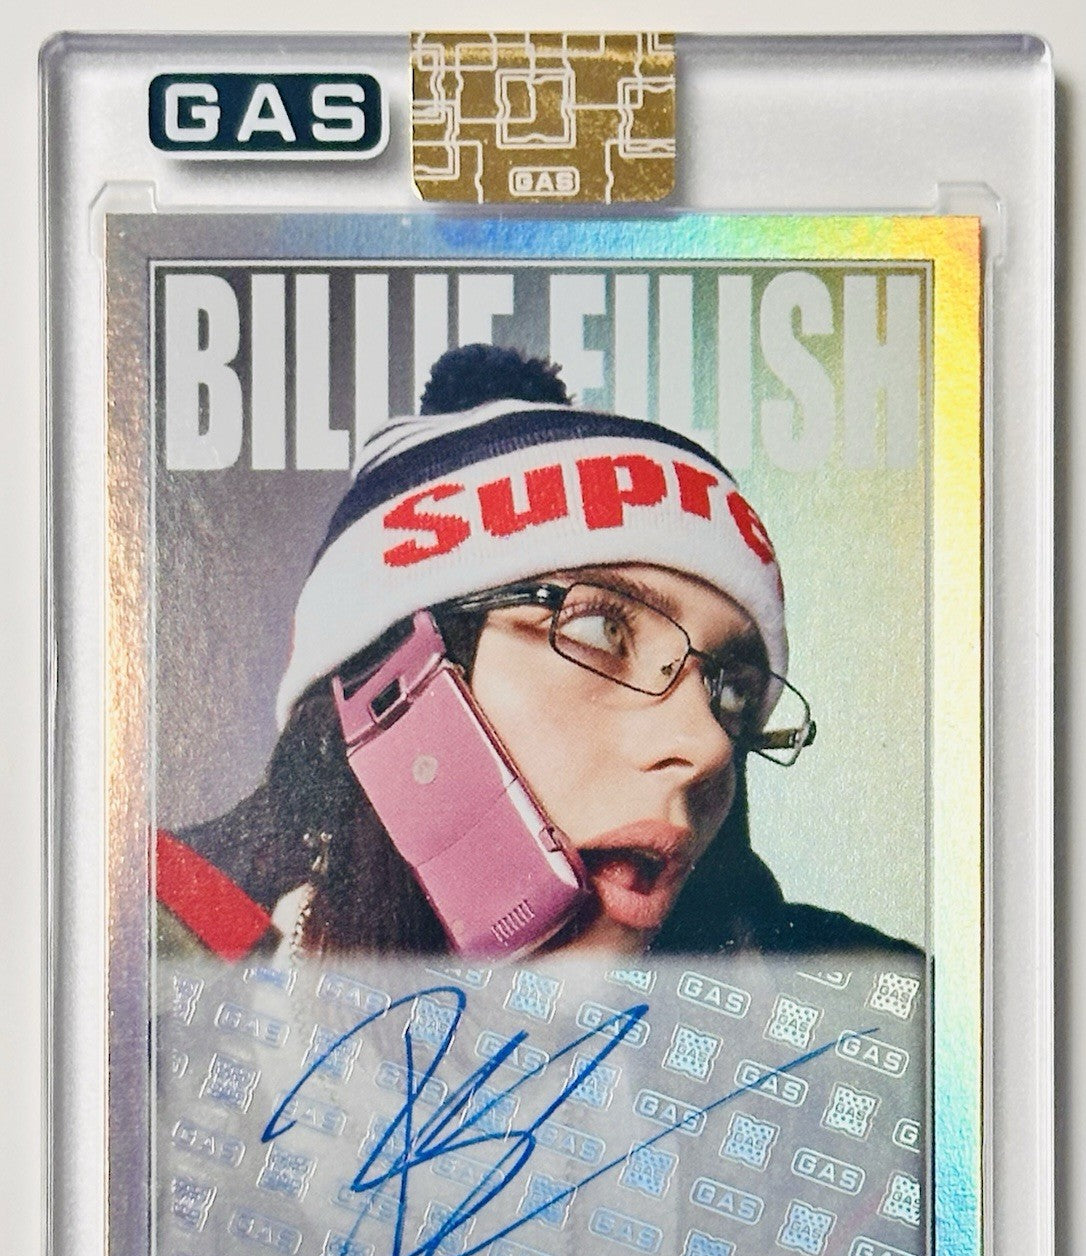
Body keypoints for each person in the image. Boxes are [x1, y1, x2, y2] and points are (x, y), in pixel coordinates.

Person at [155, 344, 914, 965]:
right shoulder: (129, 963)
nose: (709, 746)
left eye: (732, 691)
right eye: (598, 632)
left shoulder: (867, 1012)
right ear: (381, 686)